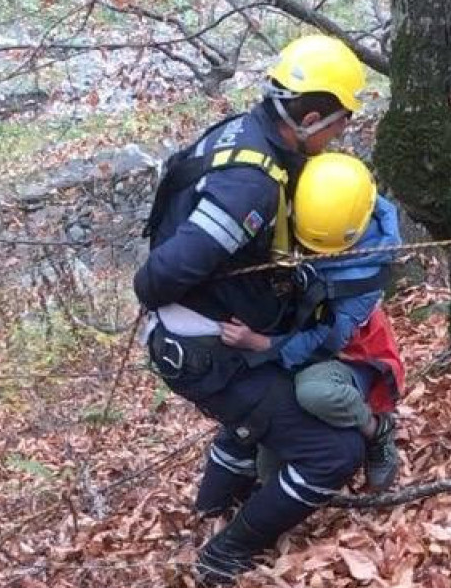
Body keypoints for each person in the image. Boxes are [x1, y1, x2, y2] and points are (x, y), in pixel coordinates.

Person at [133, 34, 367, 584]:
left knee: (265, 413)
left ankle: (212, 508)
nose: (340, 136)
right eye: (339, 124)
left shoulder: (246, 131)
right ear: (309, 116)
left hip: (206, 331)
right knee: (332, 452)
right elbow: (158, 277)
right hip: (201, 347)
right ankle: (225, 554)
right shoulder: (251, 186)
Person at [219, 152, 406, 492]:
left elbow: (328, 341)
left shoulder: (365, 270)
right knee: (269, 468)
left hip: (349, 354)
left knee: (314, 392)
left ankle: (376, 431)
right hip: (293, 331)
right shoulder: (321, 191)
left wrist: (261, 344)